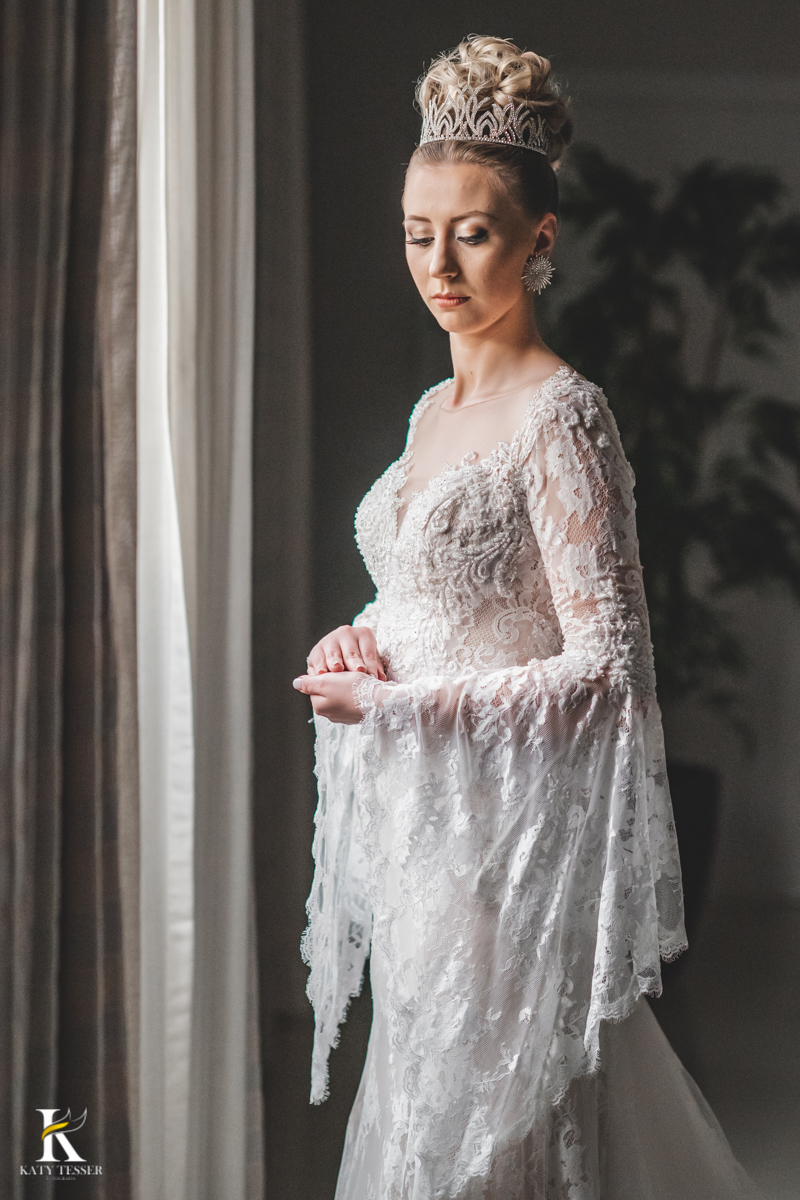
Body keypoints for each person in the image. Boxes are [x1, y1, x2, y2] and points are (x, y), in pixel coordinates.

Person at [293, 35, 762, 1200]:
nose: (436, 262)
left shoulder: (562, 416)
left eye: (471, 232)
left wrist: (395, 705)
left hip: (501, 849)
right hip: (425, 842)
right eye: (415, 232)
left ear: (537, 239)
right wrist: (362, 634)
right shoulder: (428, 412)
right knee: (424, 1121)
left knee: (489, 1137)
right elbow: (431, 593)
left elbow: (602, 667)